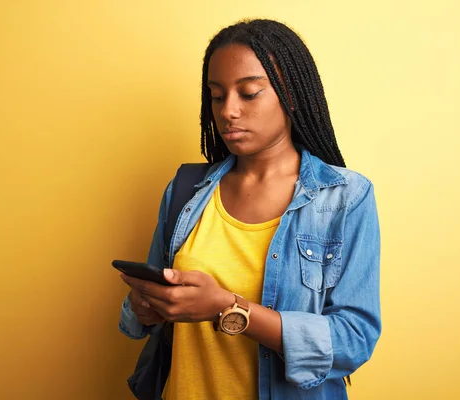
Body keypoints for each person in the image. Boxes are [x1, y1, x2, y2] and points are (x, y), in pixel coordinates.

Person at [118, 18, 381, 400]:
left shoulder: (344, 198)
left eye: (249, 93)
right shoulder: (187, 190)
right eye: (217, 95)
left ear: (290, 95)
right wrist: (147, 307)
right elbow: (143, 317)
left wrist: (227, 307)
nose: (229, 111)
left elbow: (354, 340)